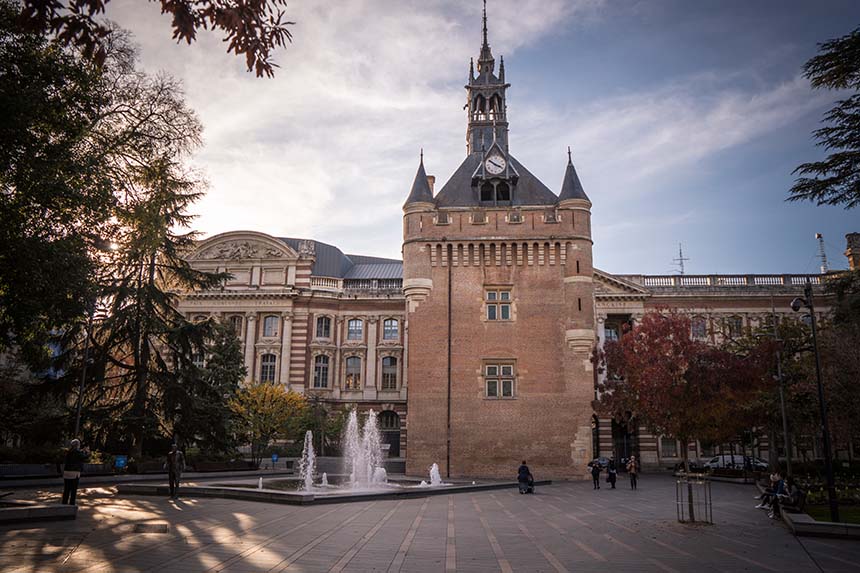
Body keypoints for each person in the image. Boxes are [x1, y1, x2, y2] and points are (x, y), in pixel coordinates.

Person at [62, 439, 88, 505]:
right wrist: (86, 452)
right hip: (74, 473)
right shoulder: (78, 452)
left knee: (66, 489)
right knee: (73, 490)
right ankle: (72, 504)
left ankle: (64, 503)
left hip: (66, 472)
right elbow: (84, 457)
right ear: (78, 445)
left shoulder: (68, 452)